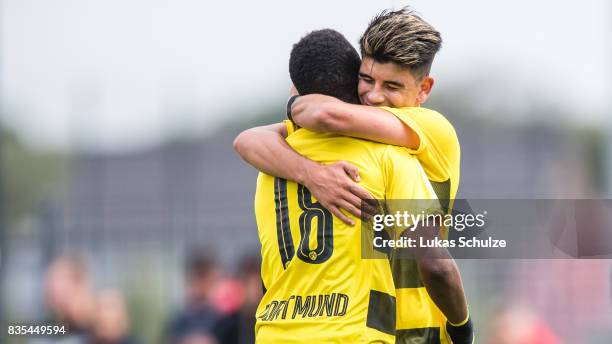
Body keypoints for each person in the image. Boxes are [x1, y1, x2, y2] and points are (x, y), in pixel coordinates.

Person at [234, 8, 473, 344]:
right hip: (369, 329)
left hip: (419, 331)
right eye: (367, 79)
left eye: (392, 86)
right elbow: (248, 140)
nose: (374, 96)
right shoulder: (359, 142)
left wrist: (294, 105)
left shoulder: (433, 130)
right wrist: (313, 174)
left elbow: (326, 114)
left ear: (424, 90)